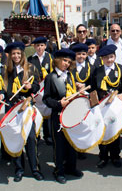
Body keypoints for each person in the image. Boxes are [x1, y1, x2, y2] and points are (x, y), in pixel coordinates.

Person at [43, 48, 84, 184]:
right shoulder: (51, 77)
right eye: (64, 60)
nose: (66, 63)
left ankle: (71, 167)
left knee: (71, 143)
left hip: (71, 114)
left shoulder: (70, 75)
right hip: (58, 114)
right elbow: (46, 99)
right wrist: (58, 103)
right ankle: (59, 170)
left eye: (68, 61)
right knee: (59, 144)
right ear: (57, 61)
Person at [3, 42, 43, 182]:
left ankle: (35, 168)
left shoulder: (31, 68)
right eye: (13, 53)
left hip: (26, 107)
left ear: (22, 54)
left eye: (18, 53)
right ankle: (19, 169)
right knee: (17, 137)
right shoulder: (6, 70)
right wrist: (0, 96)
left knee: (31, 138)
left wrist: (31, 86)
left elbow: (37, 86)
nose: (16, 56)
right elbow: (3, 89)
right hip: (12, 108)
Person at [92, 45, 122, 169]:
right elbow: (93, 88)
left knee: (115, 130)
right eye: (106, 58)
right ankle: (103, 157)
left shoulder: (121, 69)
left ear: (115, 57)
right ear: (102, 59)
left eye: (111, 57)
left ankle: (115, 156)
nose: (109, 60)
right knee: (102, 131)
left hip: (116, 108)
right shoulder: (98, 71)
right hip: (102, 107)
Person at [28, 36, 54, 145]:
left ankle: (48, 135)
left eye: (42, 45)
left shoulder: (50, 57)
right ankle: (37, 134)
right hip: (36, 89)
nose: (39, 48)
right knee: (36, 112)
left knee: (48, 112)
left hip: (46, 88)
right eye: (37, 45)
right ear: (34, 46)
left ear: (45, 46)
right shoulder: (30, 59)